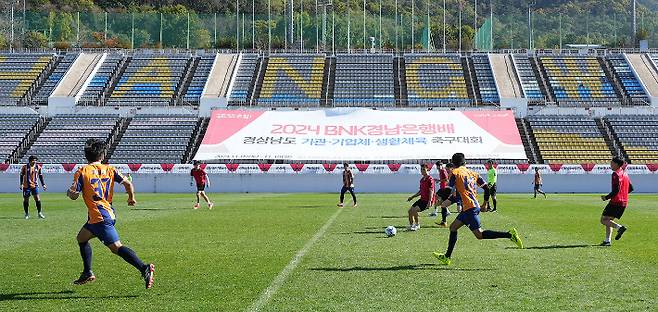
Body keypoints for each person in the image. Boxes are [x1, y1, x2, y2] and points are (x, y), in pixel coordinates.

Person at [67, 138, 154, 288]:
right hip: (102, 215)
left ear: (86, 155)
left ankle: (143, 267)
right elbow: (128, 183)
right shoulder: (110, 169)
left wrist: (69, 192)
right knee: (81, 238)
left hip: (100, 217)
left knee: (116, 248)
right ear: (102, 155)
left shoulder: (82, 171)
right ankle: (87, 272)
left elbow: (74, 195)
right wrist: (131, 198)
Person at [433, 153, 523, 265]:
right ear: (464, 162)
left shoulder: (455, 173)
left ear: (454, 163)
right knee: (453, 227)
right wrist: (485, 203)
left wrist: (440, 199)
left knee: (479, 235)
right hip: (470, 206)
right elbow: (486, 188)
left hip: (469, 208)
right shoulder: (473, 173)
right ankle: (447, 257)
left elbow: (448, 190)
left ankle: (510, 235)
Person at [599, 156, 634, 247]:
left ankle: (620, 228)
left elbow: (616, 190)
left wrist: (606, 197)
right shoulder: (625, 173)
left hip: (616, 202)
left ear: (616, 164)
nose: (610, 164)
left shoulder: (615, 174)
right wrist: (623, 194)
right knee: (609, 220)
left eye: (611, 163)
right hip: (623, 202)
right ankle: (607, 241)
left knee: (603, 220)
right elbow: (630, 188)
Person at [406, 164, 435, 231]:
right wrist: (412, 197)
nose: (422, 171)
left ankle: (417, 225)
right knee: (410, 211)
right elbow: (421, 191)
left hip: (427, 201)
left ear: (428, 170)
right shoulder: (422, 180)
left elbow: (431, 191)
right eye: (421, 170)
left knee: (414, 210)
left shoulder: (430, 179)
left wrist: (430, 202)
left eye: (423, 170)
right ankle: (411, 226)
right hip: (422, 200)